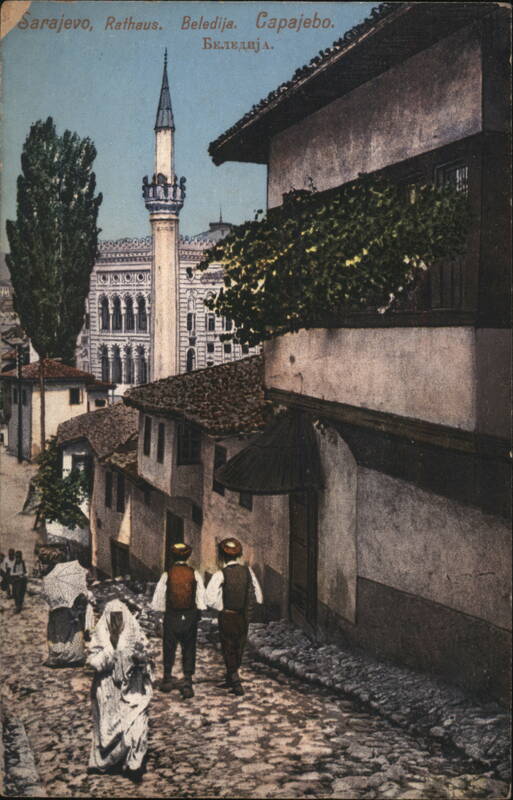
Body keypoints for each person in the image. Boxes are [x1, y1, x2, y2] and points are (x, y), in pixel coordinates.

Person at [87, 599, 153, 779]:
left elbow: (146, 654)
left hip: (132, 688)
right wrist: (106, 657)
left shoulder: (133, 633)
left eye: (119, 617)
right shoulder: (101, 634)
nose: (116, 621)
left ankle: (134, 762)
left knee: (137, 721)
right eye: (113, 617)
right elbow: (93, 659)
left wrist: (140, 658)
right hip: (108, 690)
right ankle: (112, 759)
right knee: (110, 728)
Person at [205, 538, 263, 696]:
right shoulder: (247, 571)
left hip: (228, 616)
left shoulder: (220, 574)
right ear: (239, 555)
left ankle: (235, 681)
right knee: (239, 646)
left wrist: (221, 607)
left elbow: (209, 598)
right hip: (243, 616)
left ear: (222, 557)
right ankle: (232, 677)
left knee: (228, 647)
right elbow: (258, 595)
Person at [151, 542, 206, 698]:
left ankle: (167, 678)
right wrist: (198, 612)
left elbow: (159, 598)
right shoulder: (194, 574)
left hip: (172, 615)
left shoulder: (167, 574)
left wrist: (160, 614)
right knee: (189, 647)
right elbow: (201, 597)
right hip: (189, 615)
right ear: (187, 557)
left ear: (172, 556)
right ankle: (187, 679)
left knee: (169, 646)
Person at [45, 590, 94, 667]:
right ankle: (70, 656)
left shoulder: (59, 599)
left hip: (60, 620)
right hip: (63, 621)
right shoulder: (72, 597)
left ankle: (61, 656)